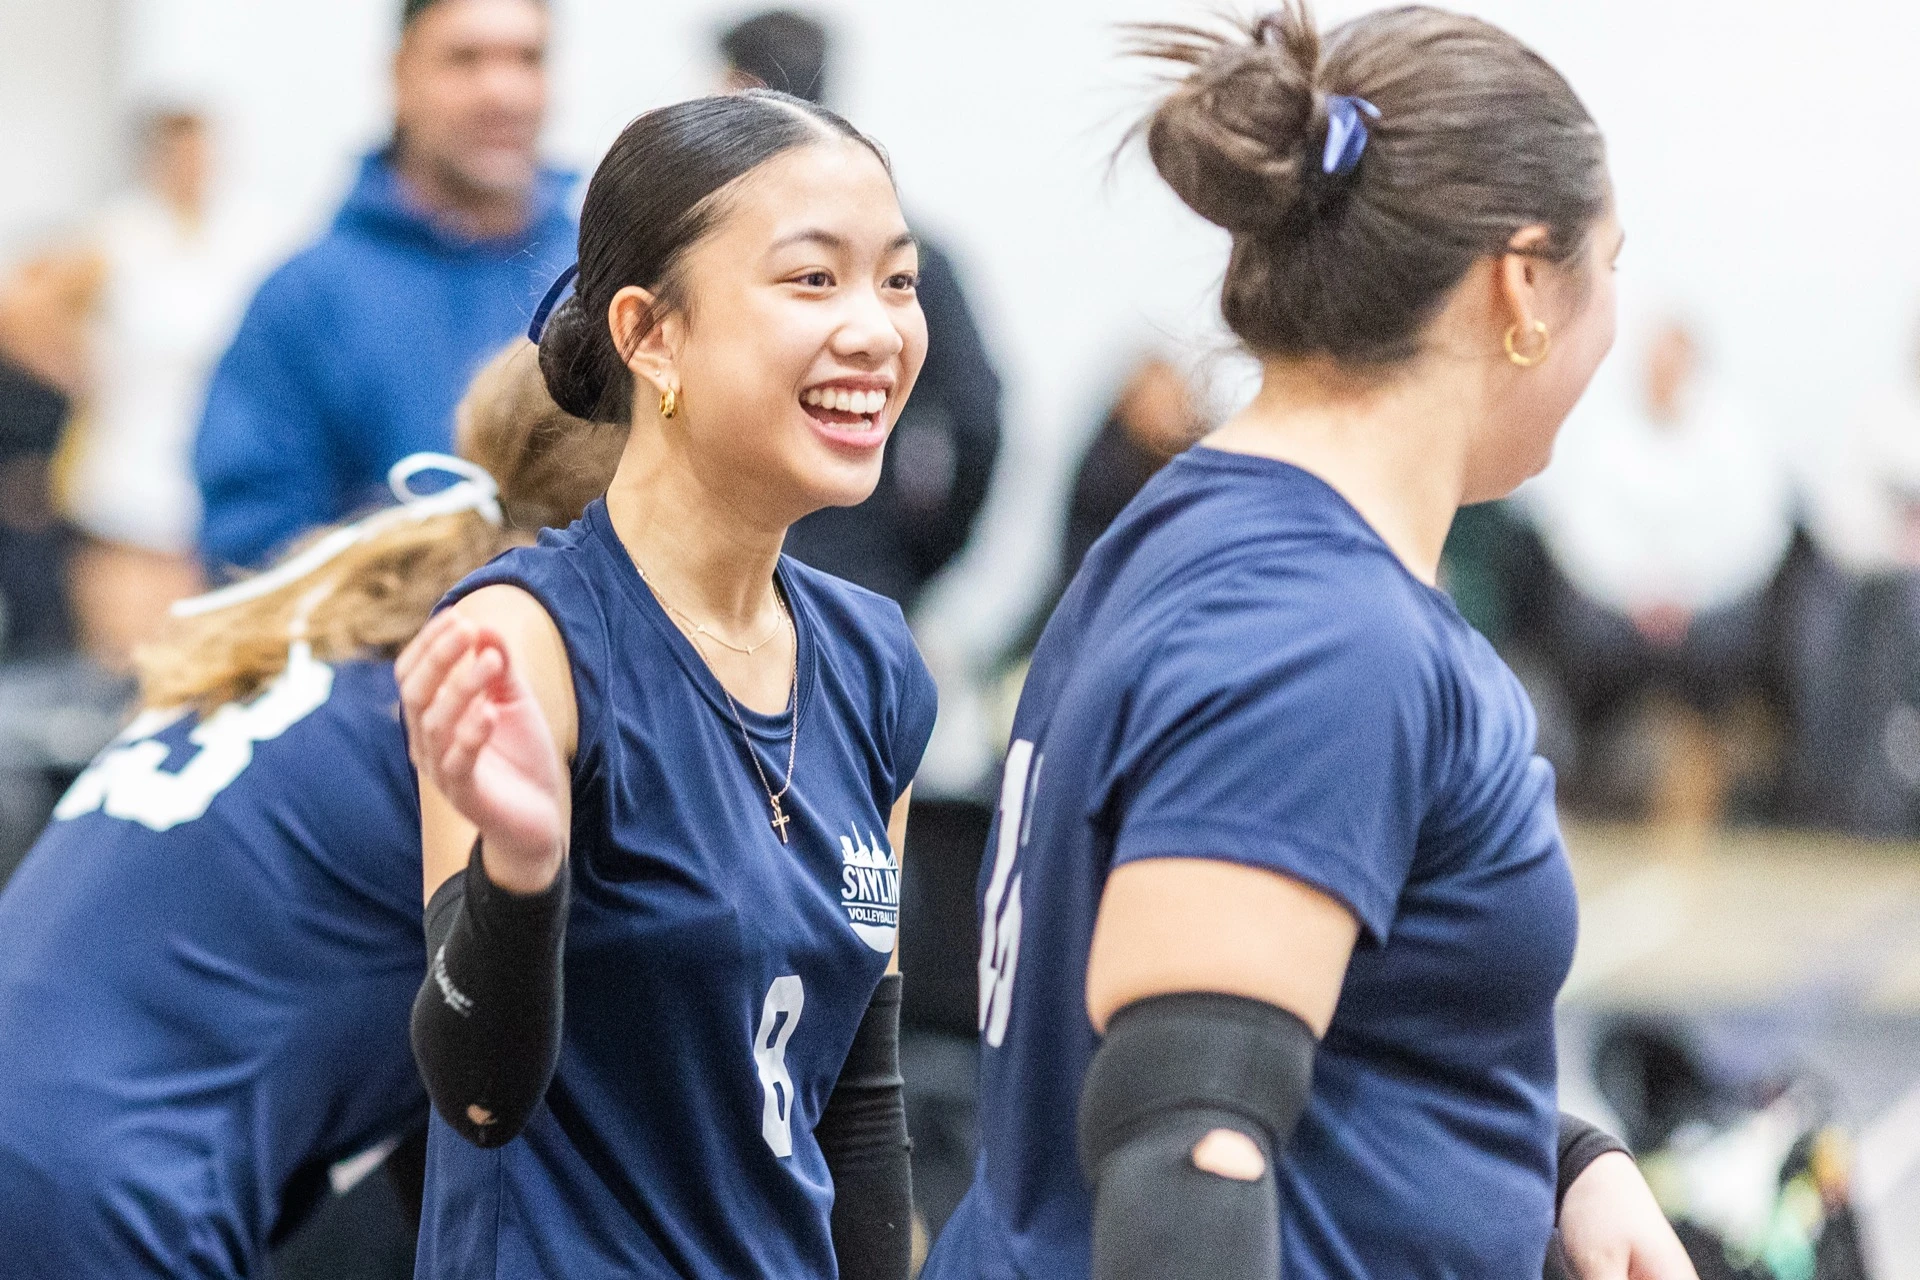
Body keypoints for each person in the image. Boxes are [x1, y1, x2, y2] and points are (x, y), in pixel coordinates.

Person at [921, 7, 1695, 1280]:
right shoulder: (1320, 633)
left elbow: (1313, 1005)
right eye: (1607, 261)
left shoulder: (1217, 534)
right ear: (1519, 284)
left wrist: (1553, 1162)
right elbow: (1186, 1154)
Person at [400, 92, 938, 1279]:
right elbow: (477, 1096)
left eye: (897, 283)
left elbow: (857, 1100)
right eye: (813, 281)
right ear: (652, 335)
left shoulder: (875, 659)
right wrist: (521, 872)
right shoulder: (529, 636)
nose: (876, 332)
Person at [0, 341, 623, 1278]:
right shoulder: (491, 697)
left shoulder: (347, 631)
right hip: (95, 1190)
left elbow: (457, 1106)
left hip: (66, 1144)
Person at [194, 0, 575, 573]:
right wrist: (455, 575)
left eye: (528, 59)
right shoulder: (306, 300)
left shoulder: (606, 277)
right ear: (400, 76)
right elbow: (249, 542)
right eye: (464, 59)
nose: (502, 91)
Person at [717, 8, 1004, 610]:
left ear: (745, 93)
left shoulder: (717, 254)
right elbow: (979, 416)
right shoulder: (918, 250)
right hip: (859, 572)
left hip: (839, 570)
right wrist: (915, 554)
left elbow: (976, 417)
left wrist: (915, 556)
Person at [1524, 315, 1793, 823]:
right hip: (1619, 602)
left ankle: (1712, 768)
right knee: (1575, 631)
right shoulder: (1604, 433)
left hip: (1710, 604)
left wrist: (1685, 591)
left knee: (1737, 636)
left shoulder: (1734, 436)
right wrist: (1638, 590)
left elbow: (1753, 538)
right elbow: (1581, 534)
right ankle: (1588, 774)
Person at [58, 107, 284, 668]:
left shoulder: (254, 232)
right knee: (125, 661)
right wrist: (84, 373)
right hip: (132, 473)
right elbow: (31, 312)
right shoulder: (119, 234)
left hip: (224, 462)